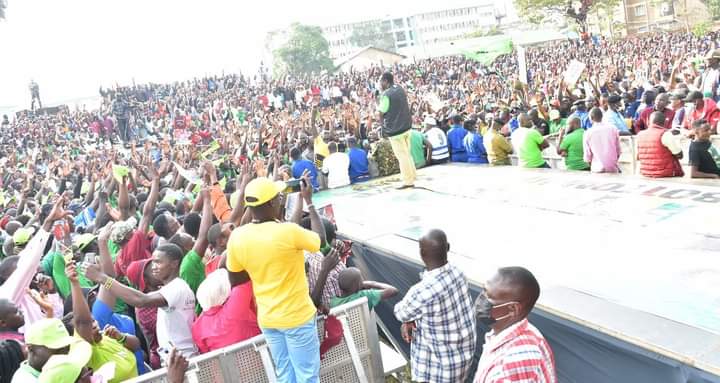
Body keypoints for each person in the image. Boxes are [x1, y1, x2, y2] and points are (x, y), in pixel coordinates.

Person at [226, 175, 326, 383]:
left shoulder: (238, 237)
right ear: (272, 202)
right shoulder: (287, 231)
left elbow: (235, 278)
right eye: (279, 196)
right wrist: (309, 202)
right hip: (296, 316)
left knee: (285, 375)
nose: (282, 199)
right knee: (307, 376)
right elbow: (321, 241)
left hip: (268, 319)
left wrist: (261, 267)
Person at [82, 243, 198, 364]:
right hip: (179, 358)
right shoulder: (173, 287)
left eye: (158, 262)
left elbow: (141, 300)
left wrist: (102, 278)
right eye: (153, 262)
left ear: (174, 264)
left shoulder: (176, 287)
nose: (154, 267)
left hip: (183, 359)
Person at [394, 229, 476, 383]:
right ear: (448, 247)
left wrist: (408, 320)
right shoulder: (458, 273)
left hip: (438, 369)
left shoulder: (422, 291)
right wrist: (411, 319)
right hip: (462, 359)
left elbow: (400, 312)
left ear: (422, 254)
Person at [472, 267, 556, 383]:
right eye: (484, 290)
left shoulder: (507, 369)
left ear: (513, 309)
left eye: (489, 297)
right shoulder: (529, 331)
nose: (481, 300)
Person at [191, 268, 261, 354]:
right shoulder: (235, 306)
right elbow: (245, 278)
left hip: (227, 366)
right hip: (259, 355)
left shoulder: (197, 327)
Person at [377, 72, 416, 189]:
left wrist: (382, 126)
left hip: (395, 130)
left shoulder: (386, 95)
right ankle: (412, 175)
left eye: (380, 81)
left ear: (385, 81)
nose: (379, 84)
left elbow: (381, 111)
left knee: (402, 156)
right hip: (407, 126)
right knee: (407, 153)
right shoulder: (400, 88)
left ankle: (408, 181)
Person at [11, 318, 77, 382]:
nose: (65, 354)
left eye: (67, 348)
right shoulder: (25, 380)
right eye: (57, 350)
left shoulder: (55, 370)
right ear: (31, 348)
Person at [636, 111, 684, 178]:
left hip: (645, 173)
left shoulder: (640, 134)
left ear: (649, 121)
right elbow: (679, 155)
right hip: (665, 173)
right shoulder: (665, 134)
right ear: (664, 122)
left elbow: (638, 157)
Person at [329, 267, 398, 310]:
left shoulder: (333, 302)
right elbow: (393, 290)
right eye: (361, 278)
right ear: (358, 285)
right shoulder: (364, 296)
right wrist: (372, 283)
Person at [583, 108, 621, 173]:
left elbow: (587, 156)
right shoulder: (613, 128)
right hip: (612, 168)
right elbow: (618, 151)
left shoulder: (588, 133)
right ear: (602, 116)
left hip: (597, 168)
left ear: (591, 118)